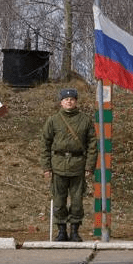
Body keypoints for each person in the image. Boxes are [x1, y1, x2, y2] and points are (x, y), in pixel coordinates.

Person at [41, 88, 98, 242]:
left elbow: (92, 144)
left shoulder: (85, 120)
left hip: (78, 165)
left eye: (72, 99)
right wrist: (46, 167)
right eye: (66, 99)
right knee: (59, 202)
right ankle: (61, 231)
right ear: (61, 102)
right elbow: (45, 144)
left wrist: (89, 167)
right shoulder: (53, 120)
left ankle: (74, 231)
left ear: (76, 101)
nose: (69, 101)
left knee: (77, 202)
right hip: (58, 166)